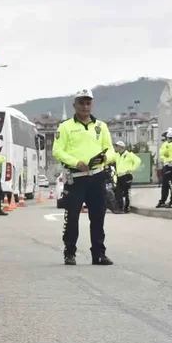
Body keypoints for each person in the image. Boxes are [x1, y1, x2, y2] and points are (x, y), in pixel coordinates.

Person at [52, 88, 116, 266]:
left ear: (92, 105)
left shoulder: (101, 126)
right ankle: (70, 252)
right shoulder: (65, 127)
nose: (85, 106)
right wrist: (75, 162)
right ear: (75, 105)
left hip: (97, 176)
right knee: (72, 216)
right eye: (81, 103)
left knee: (98, 217)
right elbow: (57, 150)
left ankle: (99, 254)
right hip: (76, 178)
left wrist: (105, 158)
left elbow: (110, 149)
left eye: (88, 103)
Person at [113, 141, 141, 213]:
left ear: (121, 147)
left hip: (126, 175)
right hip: (119, 176)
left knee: (126, 192)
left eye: (117, 146)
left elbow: (138, 161)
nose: (115, 147)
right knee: (118, 192)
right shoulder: (116, 155)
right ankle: (120, 208)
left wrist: (132, 169)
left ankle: (127, 208)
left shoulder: (128, 154)